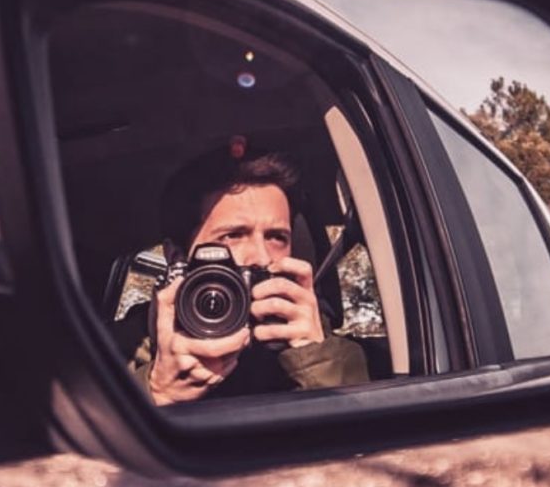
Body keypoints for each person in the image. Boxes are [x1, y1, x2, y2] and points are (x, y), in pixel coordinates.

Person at [122, 141, 369, 405]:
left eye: (276, 237)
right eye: (233, 235)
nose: (261, 257)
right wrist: (157, 391)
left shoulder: (332, 355)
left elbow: (363, 439)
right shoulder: (110, 354)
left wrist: (314, 360)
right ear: (176, 256)